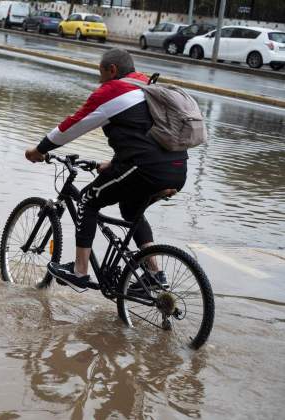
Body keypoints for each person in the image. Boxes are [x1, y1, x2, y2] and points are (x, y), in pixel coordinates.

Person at [25, 49, 187, 290]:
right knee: (131, 209)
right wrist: (113, 164)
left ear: (112, 70)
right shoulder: (147, 87)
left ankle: (80, 271)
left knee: (88, 200)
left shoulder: (113, 90)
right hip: (176, 168)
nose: (99, 80)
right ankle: (154, 273)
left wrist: (39, 149)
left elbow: (73, 125)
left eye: (101, 73)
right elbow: (141, 135)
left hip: (142, 168)